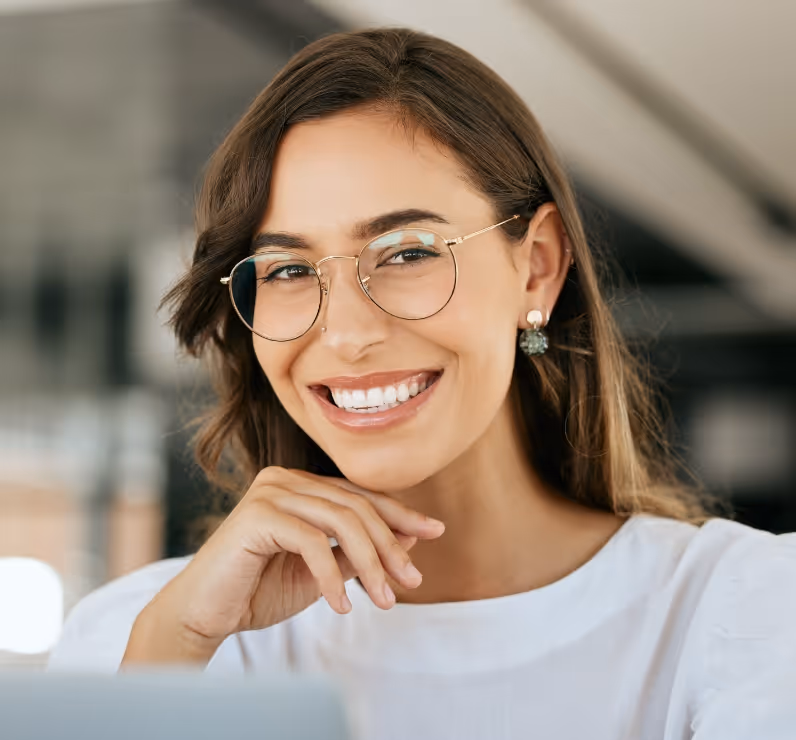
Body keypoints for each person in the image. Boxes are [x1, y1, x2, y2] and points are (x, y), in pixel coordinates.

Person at [49, 28, 796, 739]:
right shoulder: (144, 636)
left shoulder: (744, 615)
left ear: (536, 265)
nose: (344, 333)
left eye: (406, 254)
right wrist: (169, 653)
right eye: (286, 269)